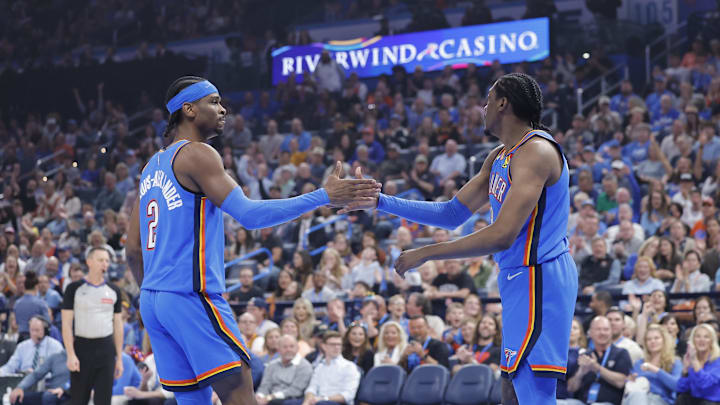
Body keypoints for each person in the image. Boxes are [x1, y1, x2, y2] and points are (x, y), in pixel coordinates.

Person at [125, 76, 379, 405]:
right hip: (189, 295)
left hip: (153, 300)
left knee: (192, 401)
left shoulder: (150, 168)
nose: (223, 109)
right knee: (239, 393)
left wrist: (154, 294)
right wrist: (322, 196)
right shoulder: (198, 155)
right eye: (213, 101)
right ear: (188, 109)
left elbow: (132, 249)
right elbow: (250, 215)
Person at [342, 73, 578, 405]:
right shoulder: (500, 156)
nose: (482, 108)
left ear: (503, 103)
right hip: (517, 278)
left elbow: (501, 235)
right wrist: (381, 201)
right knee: (510, 390)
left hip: (541, 277)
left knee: (533, 392)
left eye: (487, 99)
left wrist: (426, 252)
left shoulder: (536, 151)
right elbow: (451, 213)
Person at [62, 247, 124, 405]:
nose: (105, 263)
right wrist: (70, 354)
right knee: (78, 400)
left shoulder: (114, 290)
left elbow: (118, 326)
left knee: (103, 401)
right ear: (89, 262)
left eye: (107, 261)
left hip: (106, 350)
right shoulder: (73, 289)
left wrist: (119, 359)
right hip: (82, 349)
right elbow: (67, 324)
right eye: (100, 260)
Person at [565, 316, 632, 405]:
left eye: (606, 329)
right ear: (590, 333)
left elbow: (621, 382)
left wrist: (596, 367)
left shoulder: (621, 353)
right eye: (598, 329)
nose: (602, 333)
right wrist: (581, 372)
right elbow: (571, 388)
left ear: (611, 332)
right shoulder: (585, 355)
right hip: (582, 402)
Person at [290, 331, 361, 405]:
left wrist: (323, 398)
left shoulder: (349, 367)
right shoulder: (320, 367)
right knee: (289, 403)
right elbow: (312, 388)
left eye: (339, 344)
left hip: (337, 403)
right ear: (324, 346)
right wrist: (307, 401)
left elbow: (348, 395)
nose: (336, 347)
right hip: (318, 401)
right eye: (333, 344)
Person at [625, 324, 682, 405]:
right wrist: (629, 380)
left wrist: (656, 370)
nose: (653, 341)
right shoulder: (639, 363)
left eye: (656, 338)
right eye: (649, 339)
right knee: (637, 395)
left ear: (664, 340)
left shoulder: (674, 362)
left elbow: (677, 385)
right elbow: (630, 383)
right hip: (638, 397)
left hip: (660, 400)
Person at [256, 335, 313, 405]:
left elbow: (296, 390)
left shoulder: (305, 366)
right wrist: (259, 396)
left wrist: (271, 397)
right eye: (285, 347)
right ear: (279, 350)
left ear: (298, 348)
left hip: (292, 399)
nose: (288, 349)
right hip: (270, 398)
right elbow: (265, 386)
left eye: (292, 346)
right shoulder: (271, 365)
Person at [676, 323, 720, 404]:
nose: (701, 340)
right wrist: (685, 371)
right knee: (681, 398)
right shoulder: (691, 358)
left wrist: (695, 361)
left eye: (706, 337)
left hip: (712, 401)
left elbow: (705, 384)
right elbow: (680, 389)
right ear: (693, 340)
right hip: (695, 400)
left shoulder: (717, 360)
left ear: (711, 341)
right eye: (698, 336)